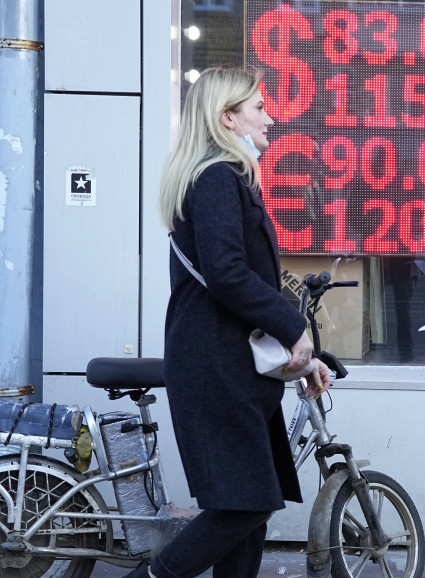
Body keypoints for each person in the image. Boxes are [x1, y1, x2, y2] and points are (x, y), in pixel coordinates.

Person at [129, 67, 331, 578]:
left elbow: (236, 278)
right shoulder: (218, 176)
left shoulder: (217, 176)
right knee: (243, 505)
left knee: (250, 509)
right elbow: (228, 273)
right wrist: (293, 328)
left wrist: (299, 354)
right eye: (259, 107)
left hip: (229, 365)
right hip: (216, 368)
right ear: (227, 118)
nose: (270, 117)